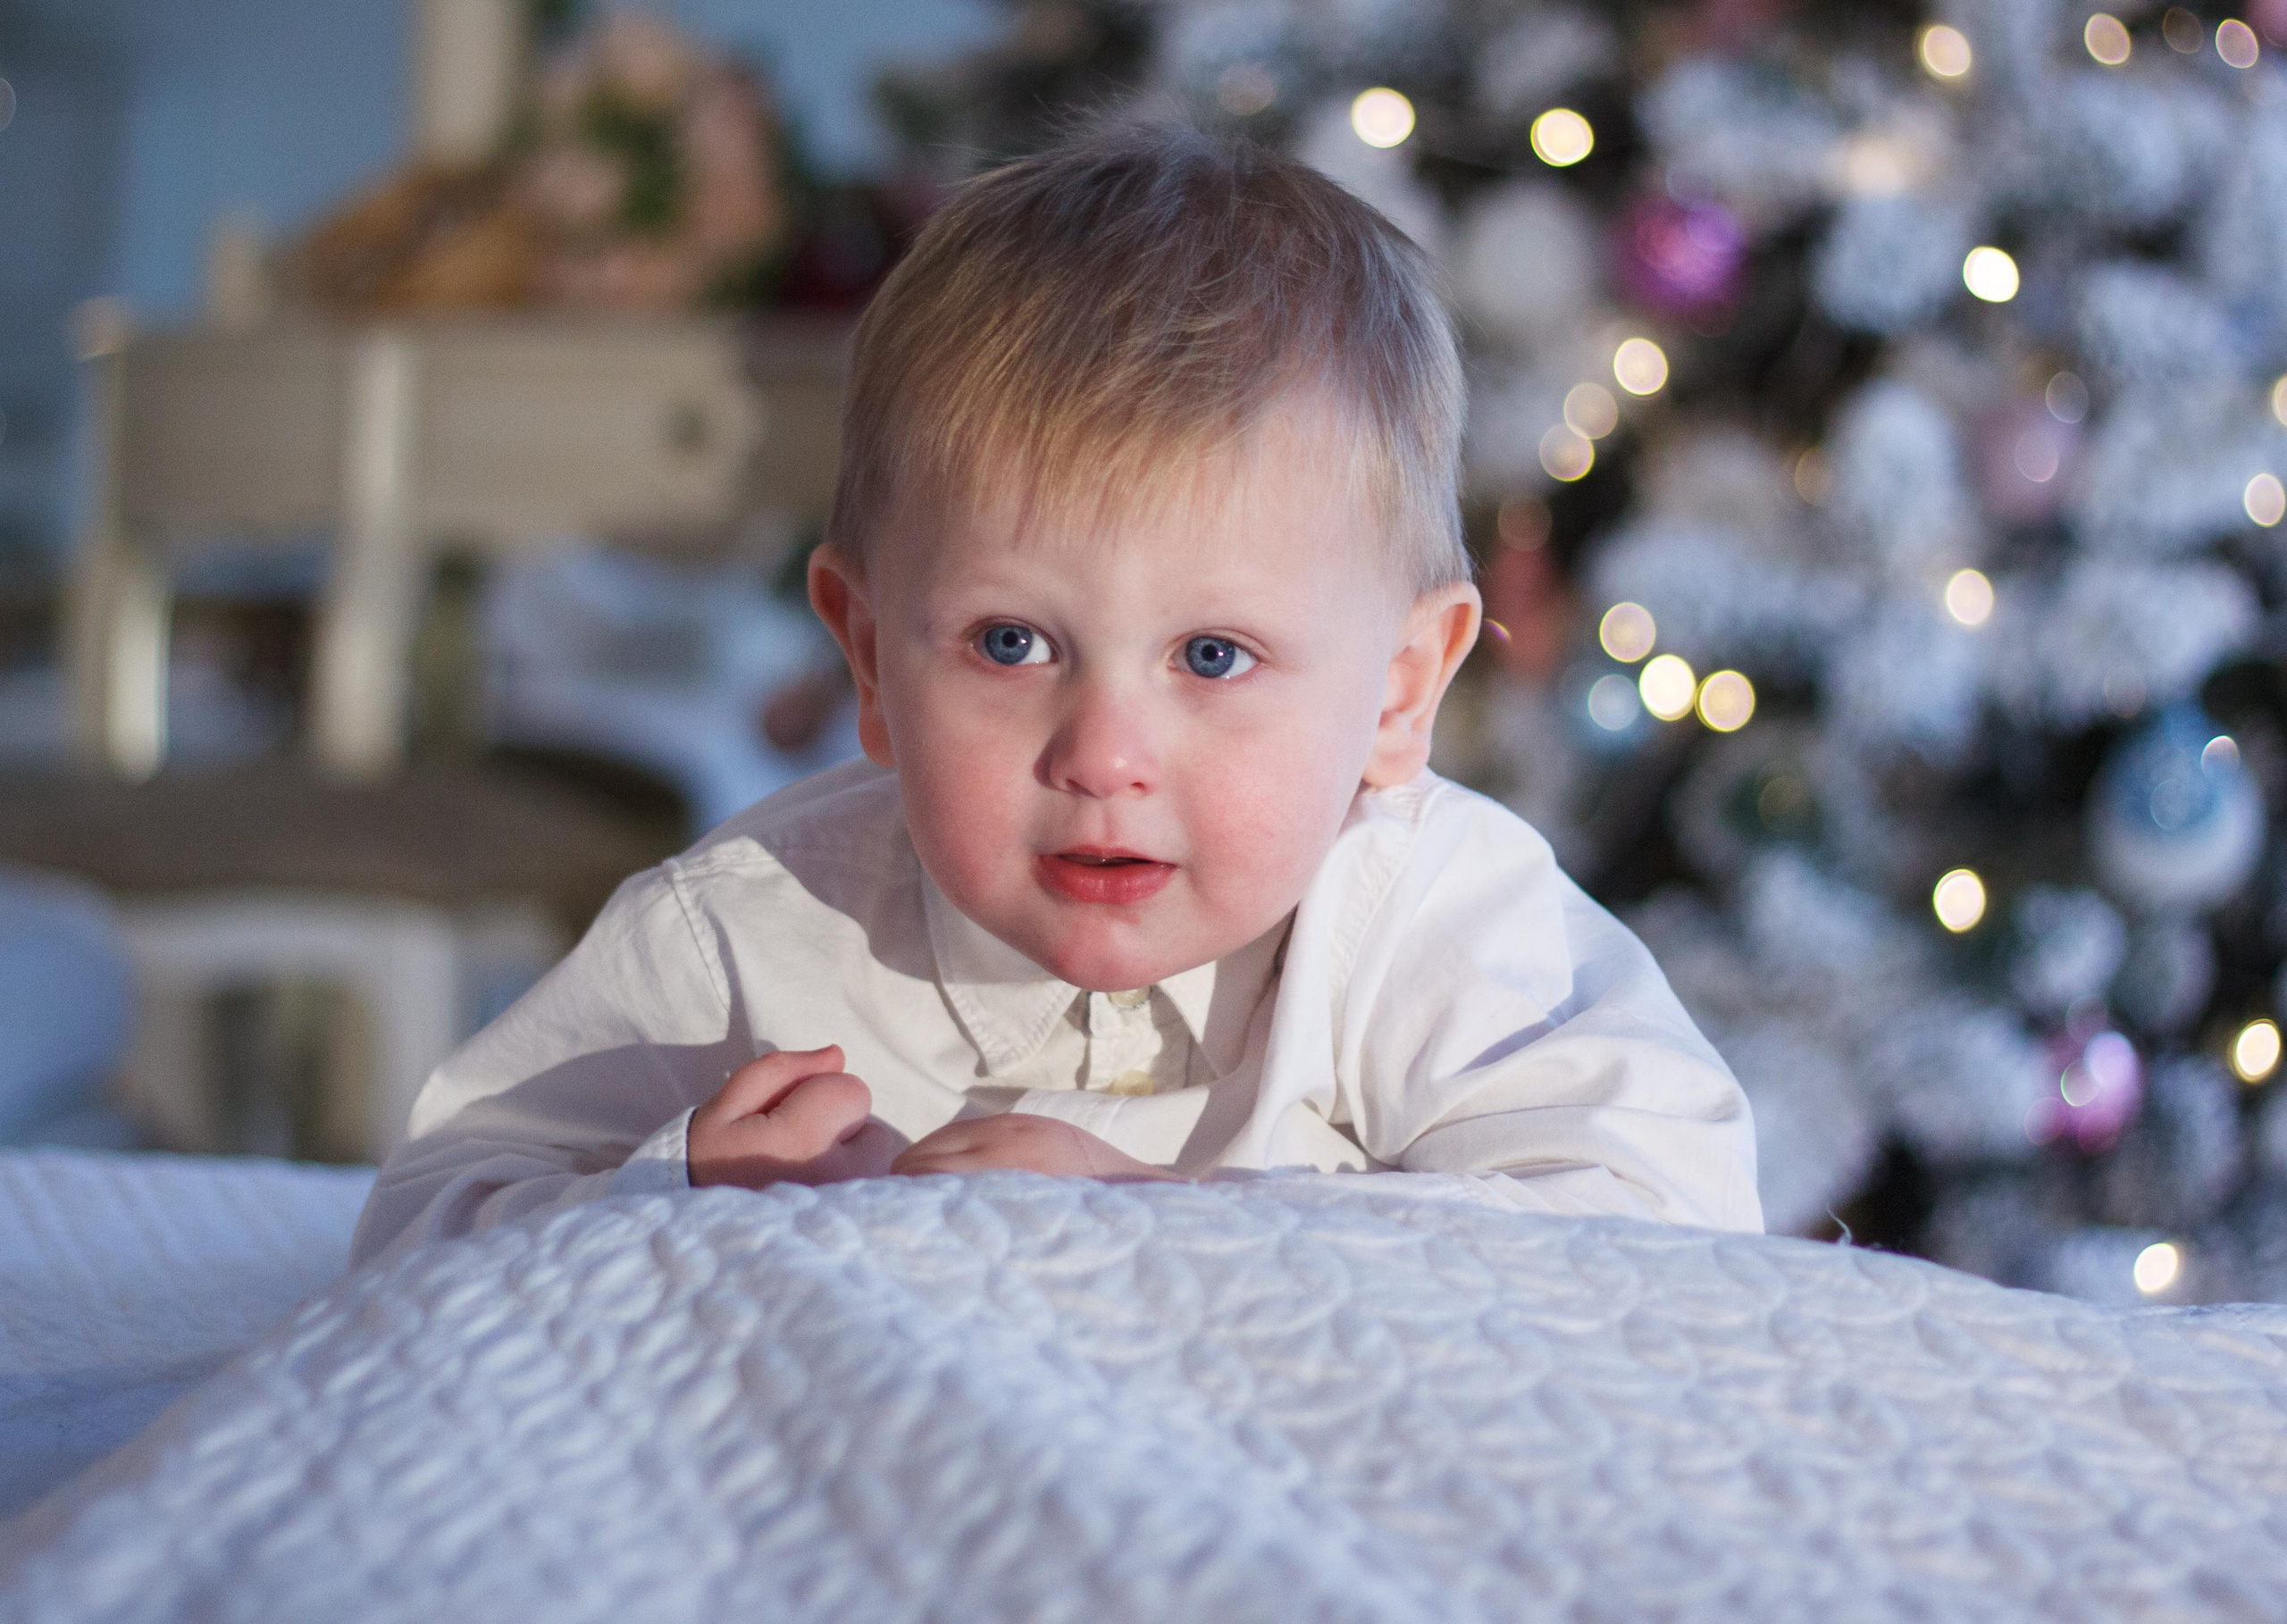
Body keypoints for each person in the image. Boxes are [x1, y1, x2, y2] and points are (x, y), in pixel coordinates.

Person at [350, 120, 1760, 1269]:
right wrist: (677, 1191)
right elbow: (423, 1225)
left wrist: (1180, 1226)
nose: (1103, 756)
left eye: (1213, 657)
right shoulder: (748, 938)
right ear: (870, 655)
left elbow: (1676, 1223)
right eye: (1012, 644)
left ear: (1400, 691)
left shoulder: (1432, 915)